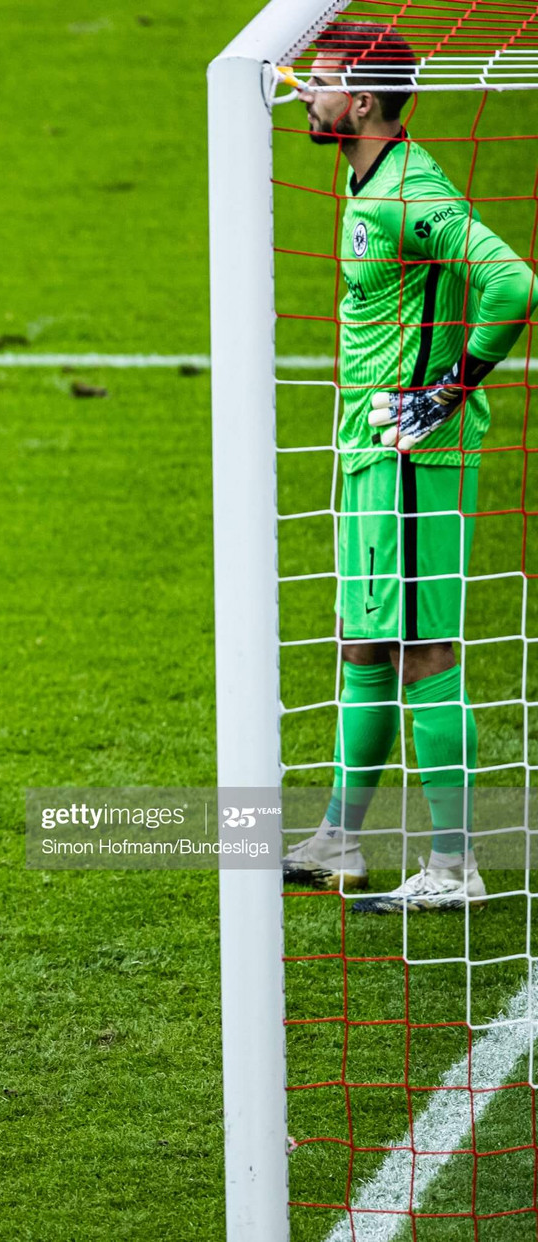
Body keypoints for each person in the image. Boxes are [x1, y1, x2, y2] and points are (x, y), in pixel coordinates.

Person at [278, 23, 535, 913]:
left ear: (363, 101)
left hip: (412, 456)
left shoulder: (410, 195)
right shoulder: (367, 183)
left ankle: (455, 865)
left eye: (319, 83)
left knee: (425, 652)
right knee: (362, 643)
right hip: (365, 454)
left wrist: (451, 388)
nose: (304, 96)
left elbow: (513, 281)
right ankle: (340, 840)